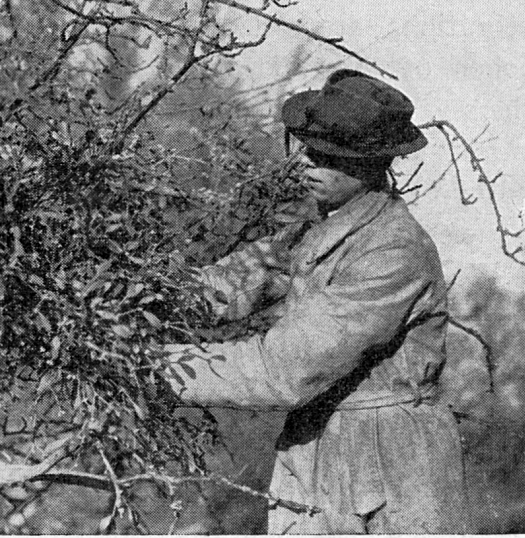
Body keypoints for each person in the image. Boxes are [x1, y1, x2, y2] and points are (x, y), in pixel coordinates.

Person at [163, 69, 468, 534]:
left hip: (388, 467)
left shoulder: (393, 251)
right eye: (306, 148)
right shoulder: (319, 229)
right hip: (326, 450)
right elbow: (227, 286)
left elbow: (285, 371)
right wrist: (128, 295)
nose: (305, 163)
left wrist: (155, 368)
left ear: (370, 164)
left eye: (326, 157)